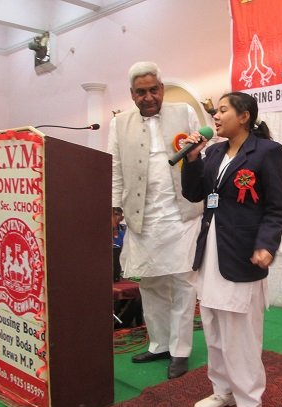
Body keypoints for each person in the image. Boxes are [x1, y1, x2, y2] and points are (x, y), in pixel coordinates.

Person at [181, 92, 282, 407]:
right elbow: (194, 194)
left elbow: (277, 209)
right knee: (213, 327)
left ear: (244, 117)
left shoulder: (267, 152)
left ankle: (249, 404)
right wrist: (192, 158)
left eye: (223, 110)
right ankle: (223, 390)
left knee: (240, 335)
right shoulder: (213, 152)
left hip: (242, 254)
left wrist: (266, 245)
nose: (215, 116)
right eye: (215, 111)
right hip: (211, 251)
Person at [107, 61, 203, 379]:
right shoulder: (119, 123)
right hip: (142, 216)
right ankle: (160, 343)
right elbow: (115, 168)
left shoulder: (185, 113)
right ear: (131, 94)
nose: (148, 97)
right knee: (150, 282)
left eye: (153, 90)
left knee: (183, 283)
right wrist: (113, 208)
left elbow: (201, 155)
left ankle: (180, 350)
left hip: (182, 214)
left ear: (161, 88)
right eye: (141, 92)